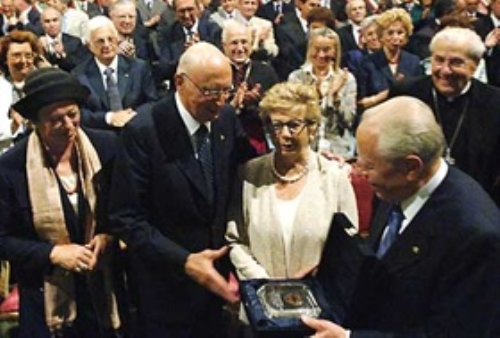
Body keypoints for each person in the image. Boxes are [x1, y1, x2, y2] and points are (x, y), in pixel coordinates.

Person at [302, 96, 500, 336]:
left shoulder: (476, 237)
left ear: (411, 167)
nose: (358, 172)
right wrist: (337, 272)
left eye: (369, 165)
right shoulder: (394, 187)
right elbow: (388, 262)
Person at [107, 42, 255, 337]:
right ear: (179, 82)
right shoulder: (144, 131)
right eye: (210, 92)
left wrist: (308, 162)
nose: (220, 101)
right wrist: (185, 261)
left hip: (217, 283)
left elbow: (249, 165)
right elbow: (125, 217)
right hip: (166, 287)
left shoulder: (224, 117)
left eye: (226, 91)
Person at [0, 67, 122, 338]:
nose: (68, 126)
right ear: (35, 122)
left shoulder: (106, 147)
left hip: (103, 291)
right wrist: (53, 253)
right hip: (45, 300)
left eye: (73, 115)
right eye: (56, 119)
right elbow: (3, 239)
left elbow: (124, 211)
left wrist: (108, 235)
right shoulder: (10, 168)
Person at [226, 81, 358, 281]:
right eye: (277, 125)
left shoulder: (334, 177)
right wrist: (264, 283)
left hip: (317, 302)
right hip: (262, 300)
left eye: (294, 125)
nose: (284, 135)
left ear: (312, 128)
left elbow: (349, 245)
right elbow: (235, 241)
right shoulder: (249, 174)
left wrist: (322, 271)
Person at [389, 26, 500, 205]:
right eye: (439, 60)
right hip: (413, 201)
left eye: (456, 62)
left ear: (476, 64)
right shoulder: (405, 93)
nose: (445, 71)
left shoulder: (494, 103)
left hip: (475, 206)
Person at [72, 15, 157, 130]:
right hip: (101, 136)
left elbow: (152, 103)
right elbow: (78, 113)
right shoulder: (79, 75)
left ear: (117, 40)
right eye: (100, 41)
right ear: (89, 45)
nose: (106, 45)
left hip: (136, 131)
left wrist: (131, 117)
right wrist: (109, 118)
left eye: (110, 39)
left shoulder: (139, 68)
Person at [289, 28, 357, 157]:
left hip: (338, 149)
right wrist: (317, 98)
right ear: (309, 49)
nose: (321, 55)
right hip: (305, 148)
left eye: (326, 50)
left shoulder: (346, 79)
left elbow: (348, 121)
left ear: (335, 51)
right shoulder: (297, 78)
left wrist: (335, 96)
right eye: (316, 49)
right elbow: (295, 118)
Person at [223, 20, 279, 155]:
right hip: (224, 141)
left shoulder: (266, 71)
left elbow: (277, 108)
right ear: (224, 46)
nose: (240, 48)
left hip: (258, 142)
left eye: (244, 42)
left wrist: (260, 103)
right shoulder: (216, 71)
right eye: (234, 43)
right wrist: (233, 105)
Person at [357, 8, 422, 110]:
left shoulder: (414, 61)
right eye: (390, 33)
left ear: (406, 36)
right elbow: (361, 103)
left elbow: (420, 97)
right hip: (377, 117)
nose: (395, 37)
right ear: (381, 36)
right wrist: (388, 93)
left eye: (400, 32)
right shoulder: (367, 63)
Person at [39, 6, 90, 72]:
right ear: (42, 24)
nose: (51, 24)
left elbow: (79, 67)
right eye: (47, 21)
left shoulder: (75, 42)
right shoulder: (37, 43)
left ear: (61, 21)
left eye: (55, 20)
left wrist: (62, 54)